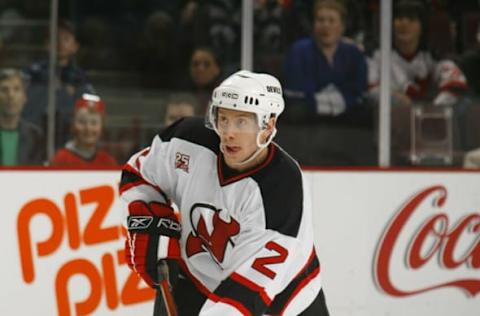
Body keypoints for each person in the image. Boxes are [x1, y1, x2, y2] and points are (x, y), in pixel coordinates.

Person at [119, 70, 329, 315]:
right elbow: (139, 173)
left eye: (242, 121)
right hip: (195, 281)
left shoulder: (283, 189)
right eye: (224, 119)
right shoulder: (188, 141)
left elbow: (246, 295)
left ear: (268, 124)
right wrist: (147, 217)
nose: (229, 132)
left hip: (282, 301)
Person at [368, 0, 467, 108]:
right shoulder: (377, 57)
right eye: (399, 18)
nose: (404, 23)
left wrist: (432, 109)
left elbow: (455, 86)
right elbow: (371, 92)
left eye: (411, 19)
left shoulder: (433, 59)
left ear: (422, 27)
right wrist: (397, 100)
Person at [283, 0, 368, 122]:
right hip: (305, 121)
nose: (326, 25)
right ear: (314, 24)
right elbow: (295, 93)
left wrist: (320, 102)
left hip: (348, 123)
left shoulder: (354, 53)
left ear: (342, 26)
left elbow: (359, 93)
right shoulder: (299, 51)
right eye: (320, 20)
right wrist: (337, 102)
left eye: (331, 21)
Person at [23, 19, 94, 148]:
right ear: (47, 44)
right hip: (34, 138)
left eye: (66, 39)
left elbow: (90, 111)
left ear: (75, 46)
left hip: (68, 140)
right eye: (55, 38)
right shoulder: (33, 74)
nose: (60, 43)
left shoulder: (81, 78)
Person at [51, 93, 117, 167]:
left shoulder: (108, 161)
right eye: (82, 122)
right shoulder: (61, 158)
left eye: (94, 123)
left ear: (102, 127)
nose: (88, 128)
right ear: (73, 126)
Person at [0, 68, 45, 166]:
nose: (10, 95)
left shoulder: (35, 136)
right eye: (4, 89)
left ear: (24, 97)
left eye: (16, 89)